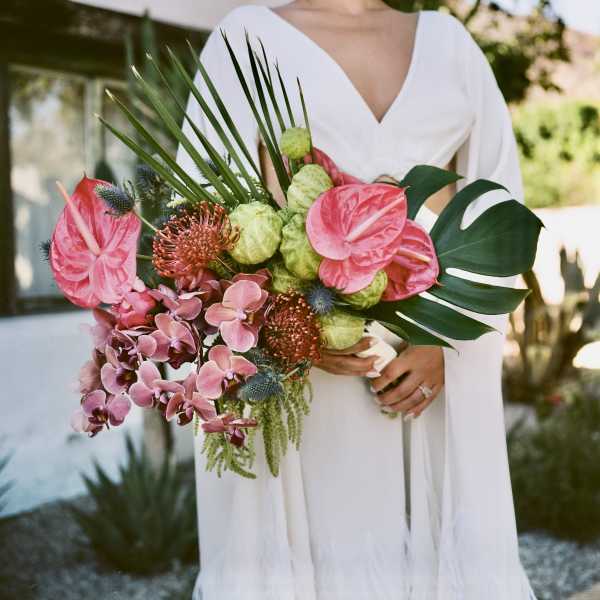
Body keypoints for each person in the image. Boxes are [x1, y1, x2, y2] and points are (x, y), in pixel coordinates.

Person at [176, 2, 537, 599]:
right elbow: (198, 218)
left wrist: (444, 340)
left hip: (433, 369)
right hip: (306, 368)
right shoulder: (246, 37)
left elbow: (500, 208)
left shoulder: (451, 46)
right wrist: (290, 332)